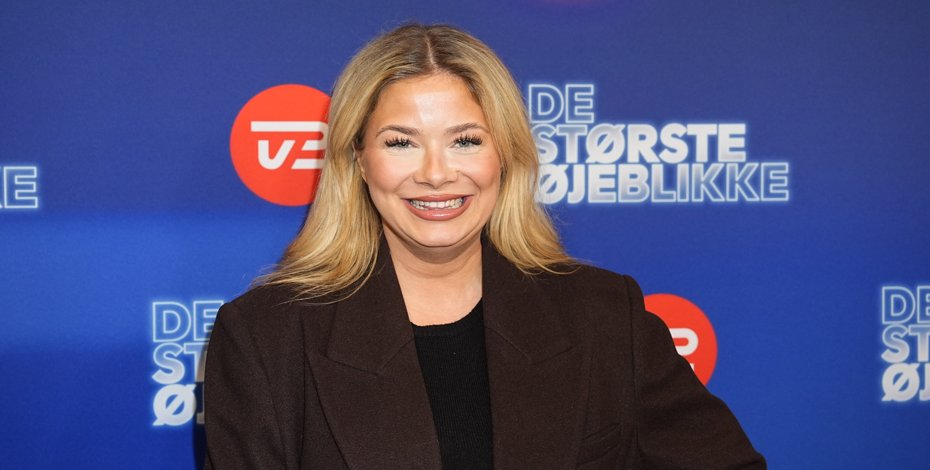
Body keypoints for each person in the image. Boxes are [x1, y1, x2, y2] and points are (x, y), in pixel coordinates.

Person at [203, 23, 766, 470]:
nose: (435, 173)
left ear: (506, 155)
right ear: (358, 161)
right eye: (400, 143)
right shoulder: (265, 337)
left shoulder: (606, 317)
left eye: (466, 140)